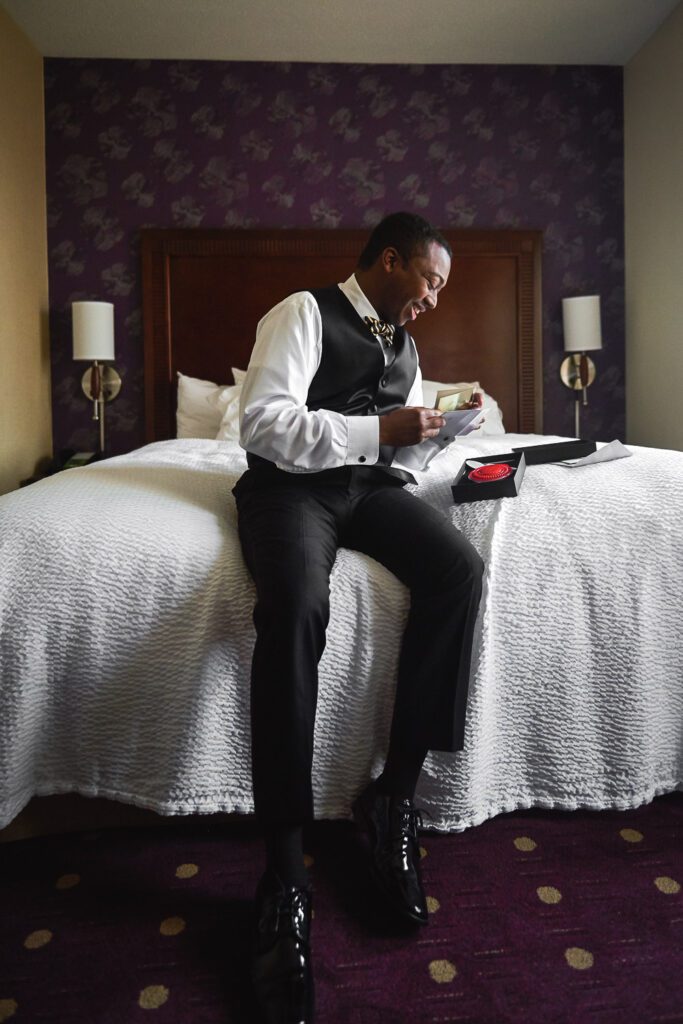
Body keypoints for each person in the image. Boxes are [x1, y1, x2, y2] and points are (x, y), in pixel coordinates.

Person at [232, 212, 484, 1024]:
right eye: (430, 281)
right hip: (288, 492)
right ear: (389, 261)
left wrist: (437, 437)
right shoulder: (301, 313)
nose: (434, 301)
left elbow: (393, 453)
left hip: (363, 489)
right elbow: (263, 426)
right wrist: (378, 429)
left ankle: (394, 797)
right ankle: (285, 871)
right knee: (299, 605)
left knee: (457, 569)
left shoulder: (405, 351)